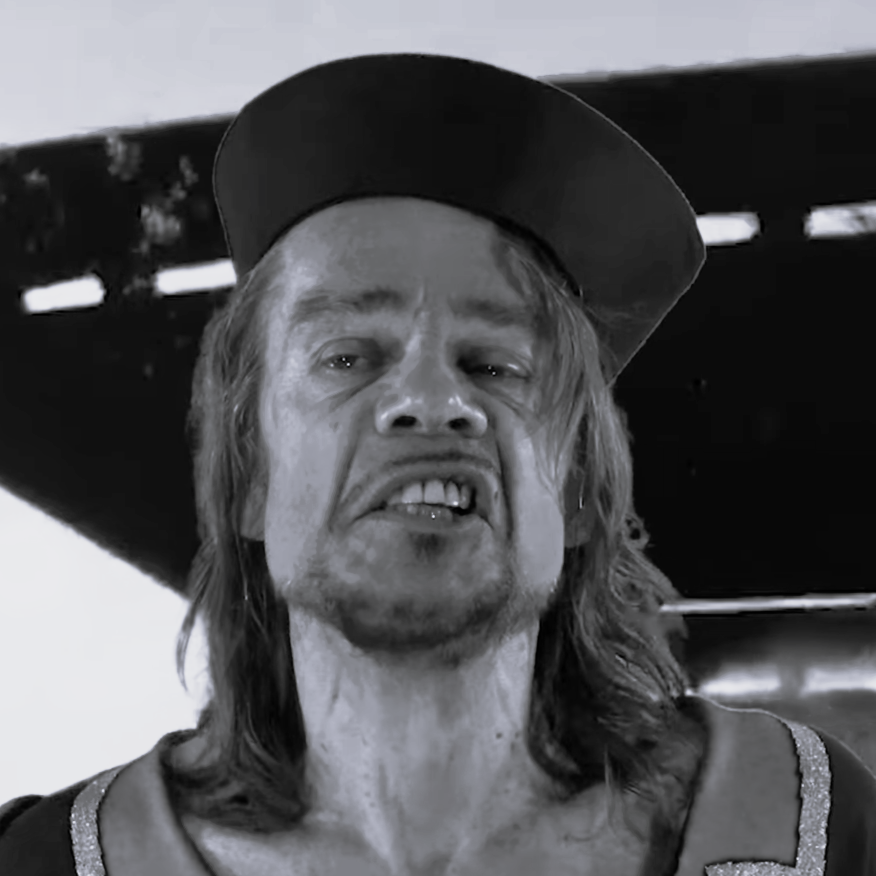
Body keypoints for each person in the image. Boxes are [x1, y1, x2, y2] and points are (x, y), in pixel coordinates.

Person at [1, 53, 875, 876]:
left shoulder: (814, 832)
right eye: (347, 356)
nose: (430, 398)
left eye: (495, 364)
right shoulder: (50, 861)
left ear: (576, 491)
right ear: (251, 478)